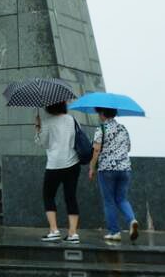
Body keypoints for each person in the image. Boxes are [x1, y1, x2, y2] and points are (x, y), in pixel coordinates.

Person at [89, 107, 139, 242]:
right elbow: (128, 147)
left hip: (107, 170)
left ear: (103, 114)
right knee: (122, 199)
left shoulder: (101, 129)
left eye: (99, 112)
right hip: (125, 169)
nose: (99, 115)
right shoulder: (123, 128)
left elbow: (96, 150)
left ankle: (114, 232)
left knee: (109, 201)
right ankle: (132, 220)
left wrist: (92, 167)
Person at [34, 101, 81, 243]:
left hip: (54, 164)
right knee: (70, 197)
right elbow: (77, 138)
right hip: (73, 163)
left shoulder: (47, 122)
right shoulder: (73, 119)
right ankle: (73, 233)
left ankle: (54, 230)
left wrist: (38, 127)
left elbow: (42, 143)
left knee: (48, 196)